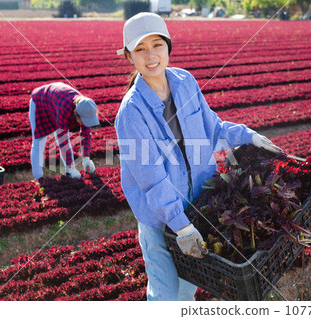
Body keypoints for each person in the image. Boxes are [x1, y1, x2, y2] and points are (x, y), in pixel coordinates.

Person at [114, 12, 282, 301]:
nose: (150, 55)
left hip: (197, 205)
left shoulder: (184, 82)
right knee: (165, 295)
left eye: (157, 45)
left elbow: (212, 128)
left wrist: (249, 136)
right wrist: (181, 226)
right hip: (161, 220)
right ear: (130, 57)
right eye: (140, 49)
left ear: (168, 47)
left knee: (187, 290)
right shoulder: (130, 114)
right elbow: (151, 180)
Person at [29, 82, 100, 180]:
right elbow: (63, 141)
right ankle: (38, 178)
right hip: (40, 102)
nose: (85, 124)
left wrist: (86, 157)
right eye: (83, 121)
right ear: (75, 114)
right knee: (39, 141)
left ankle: (68, 172)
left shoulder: (86, 107)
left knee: (61, 138)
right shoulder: (64, 109)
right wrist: (72, 167)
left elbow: (86, 134)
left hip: (55, 101)